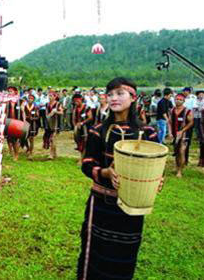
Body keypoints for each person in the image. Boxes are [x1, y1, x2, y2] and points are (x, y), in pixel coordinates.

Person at [78, 77, 161, 280]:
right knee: (95, 255)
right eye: (110, 94)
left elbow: (156, 165)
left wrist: (157, 180)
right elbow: (87, 164)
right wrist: (105, 173)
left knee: (124, 256)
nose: (114, 98)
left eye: (120, 93)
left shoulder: (147, 133)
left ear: (133, 97)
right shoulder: (98, 130)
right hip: (102, 205)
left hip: (133, 205)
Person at [168, 94, 194, 177]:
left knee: (181, 151)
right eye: (176, 99)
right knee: (176, 152)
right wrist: (170, 132)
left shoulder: (187, 111)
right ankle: (176, 167)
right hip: (175, 135)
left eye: (180, 99)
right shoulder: (172, 110)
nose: (178, 101)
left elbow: (191, 122)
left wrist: (182, 130)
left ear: (183, 101)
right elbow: (169, 121)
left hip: (184, 135)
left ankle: (180, 171)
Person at [5, 86, 26, 161]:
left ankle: (16, 155)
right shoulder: (7, 101)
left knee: (15, 140)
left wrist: (24, 121)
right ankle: (12, 152)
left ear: (15, 92)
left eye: (11, 91)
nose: (9, 92)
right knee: (10, 139)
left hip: (17, 122)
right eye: (9, 91)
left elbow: (23, 112)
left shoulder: (20, 101)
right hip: (9, 122)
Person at [72, 93, 93, 163]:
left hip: (86, 128)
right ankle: (82, 157)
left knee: (85, 143)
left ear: (81, 100)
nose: (76, 103)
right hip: (79, 129)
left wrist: (82, 123)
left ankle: (83, 159)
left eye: (77, 101)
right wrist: (75, 125)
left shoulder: (87, 108)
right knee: (79, 143)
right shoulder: (75, 109)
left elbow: (90, 118)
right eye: (75, 101)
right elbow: (73, 118)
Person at [43, 92, 63, 159]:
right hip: (48, 124)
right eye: (49, 96)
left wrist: (55, 112)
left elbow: (62, 112)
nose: (49, 97)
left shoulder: (58, 104)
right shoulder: (47, 104)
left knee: (52, 139)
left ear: (55, 97)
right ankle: (55, 153)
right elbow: (46, 114)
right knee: (50, 139)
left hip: (56, 124)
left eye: (51, 96)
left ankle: (51, 154)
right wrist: (49, 115)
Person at [24, 94, 40, 159]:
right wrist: (26, 117)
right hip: (25, 124)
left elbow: (38, 117)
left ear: (33, 100)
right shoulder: (25, 106)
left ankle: (31, 153)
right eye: (29, 98)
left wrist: (33, 118)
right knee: (24, 137)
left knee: (31, 138)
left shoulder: (35, 107)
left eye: (31, 98)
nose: (30, 99)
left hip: (33, 124)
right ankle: (27, 147)